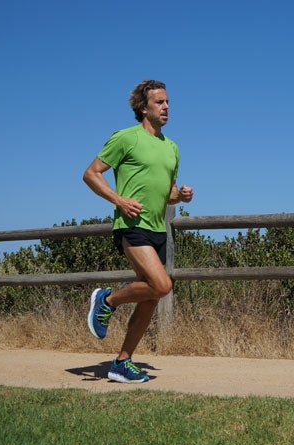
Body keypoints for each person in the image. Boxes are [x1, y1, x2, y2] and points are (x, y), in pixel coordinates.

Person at [82, 80, 193, 383]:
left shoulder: (172, 148)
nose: (166, 107)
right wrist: (118, 200)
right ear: (143, 108)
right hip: (131, 225)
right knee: (163, 285)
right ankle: (107, 301)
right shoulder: (125, 138)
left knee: (152, 296)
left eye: (168, 102)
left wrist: (180, 196)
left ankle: (121, 362)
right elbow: (90, 174)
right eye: (159, 102)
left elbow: (167, 193)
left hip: (158, 229)